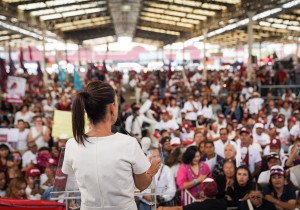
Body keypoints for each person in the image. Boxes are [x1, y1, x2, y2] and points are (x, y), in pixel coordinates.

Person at [62, 81, 161, 210]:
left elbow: (71, 178)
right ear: (112, 107)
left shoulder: (72, 144)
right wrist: (151, 170)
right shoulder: (128, 143)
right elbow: (142, 185)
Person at [157, 178, 227, 210]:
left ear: (203, 192)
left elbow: (179, 208)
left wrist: (162, 208)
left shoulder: (198, 206)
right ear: (216, 191)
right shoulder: (223, 204)